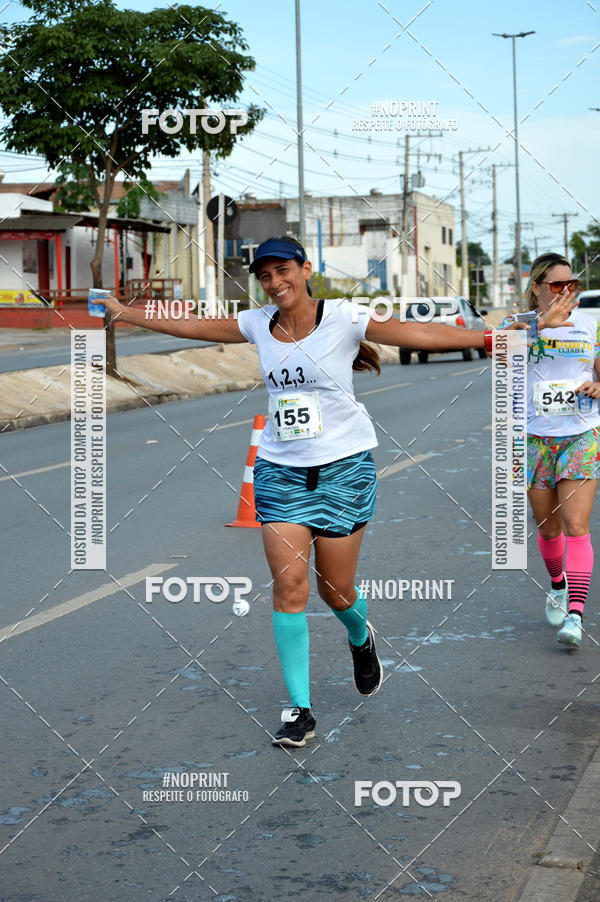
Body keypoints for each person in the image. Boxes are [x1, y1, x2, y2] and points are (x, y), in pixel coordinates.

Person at [104, 238, 575, 746]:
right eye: (264, 276)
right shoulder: (257, 323)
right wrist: (124, 312)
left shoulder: (345, 317)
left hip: (344, 471)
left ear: (305, 270)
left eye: (282, 271)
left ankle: (360, 635)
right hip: (280, 472)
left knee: (336, 591)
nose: (274, 283)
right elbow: (193, 327)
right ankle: (299, 712)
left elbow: (418, 333)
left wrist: (512, 332)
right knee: (289, 589)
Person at [501, 252, 597, 648]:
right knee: (548, 526)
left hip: (581, 433)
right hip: (532, 438)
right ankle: (557, 584)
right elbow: (501, 356)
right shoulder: (517, 325)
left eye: (571, 284)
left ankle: (575, 613)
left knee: (577, 525)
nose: (566, 292)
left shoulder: (590, 324)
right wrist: (540, 326)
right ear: (537, 288)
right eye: (557, 285)